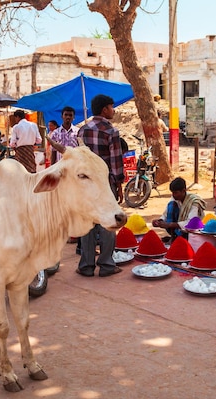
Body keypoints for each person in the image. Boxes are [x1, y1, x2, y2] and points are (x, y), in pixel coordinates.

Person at [76, 94, 124, 278]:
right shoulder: (111, 131)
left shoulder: (82, 131)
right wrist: (118, 184)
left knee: (87, 223)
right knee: (108, 223)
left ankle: (86, 265)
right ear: (104, 109)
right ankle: (106, 264)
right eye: (112, 107)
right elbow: (116, 161)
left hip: (86, 185)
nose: (113, 110)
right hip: (105, 184)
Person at [152, 177, 206, 242]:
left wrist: (170, 225)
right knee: (171, 205)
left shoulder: (194, 202)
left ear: (183, 191)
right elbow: (166, 214)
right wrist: (160, 221)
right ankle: (174, 237)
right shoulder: (175, 198)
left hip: (194, 231)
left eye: (175, 193)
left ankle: (181, 238)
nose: (173, 195)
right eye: (172, 193)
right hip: (180, 229)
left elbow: (190, 223)